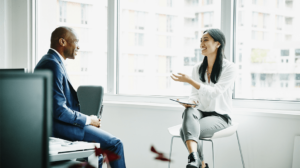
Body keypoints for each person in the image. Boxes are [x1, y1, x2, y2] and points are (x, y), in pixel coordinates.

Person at [35, 26, 126, 168]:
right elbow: (59, 110)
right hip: (60, 128)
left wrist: (88, 120)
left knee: (100, 152)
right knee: (115, 144)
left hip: (58, 125)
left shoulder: (51, 61)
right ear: (62, 42)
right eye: (76, 41)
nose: (79, 47)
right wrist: (88, 120)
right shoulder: (52, 64)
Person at [170, 29, 237, 168]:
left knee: (185, 130)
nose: (201, 43)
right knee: (189, 112)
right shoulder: (197, 68)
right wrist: (191, 102)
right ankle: (196, 160)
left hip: (220, 116)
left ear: (217, 44)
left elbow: (215, 93)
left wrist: (190, 81)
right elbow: (194, 94)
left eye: (205, 40)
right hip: (200, 112)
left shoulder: (229, 68)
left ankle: (199, 163)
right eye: (200, 40)